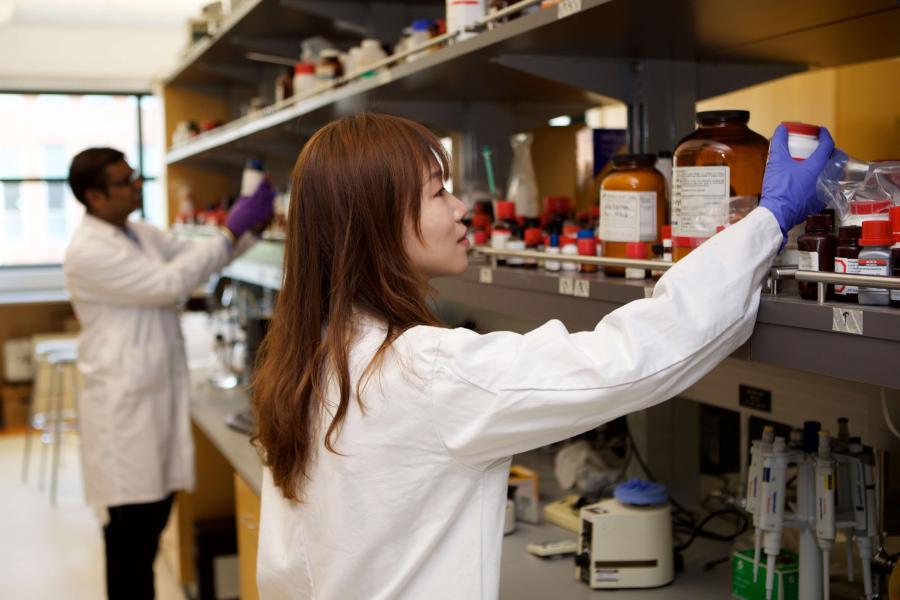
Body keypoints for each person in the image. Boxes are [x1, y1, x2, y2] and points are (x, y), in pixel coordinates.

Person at [251, 114, 834, 600]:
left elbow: (282, 570)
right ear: (376, 224)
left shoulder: (309, 359)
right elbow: (627, 359)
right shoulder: (421, 371)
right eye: (437, 192)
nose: (461, 209)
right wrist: (768, 219)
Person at [63, 147, 274, 600]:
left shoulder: (137, 233)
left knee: (148, 522)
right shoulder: (88, 251)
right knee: (130, 540)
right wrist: (230, 228)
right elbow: (168, 284)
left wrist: (246, 229)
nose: (137, 185)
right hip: (125, 406)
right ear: (95, 197)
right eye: (125, 181)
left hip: (151, 395)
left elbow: (197, 257)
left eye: (135, 175)